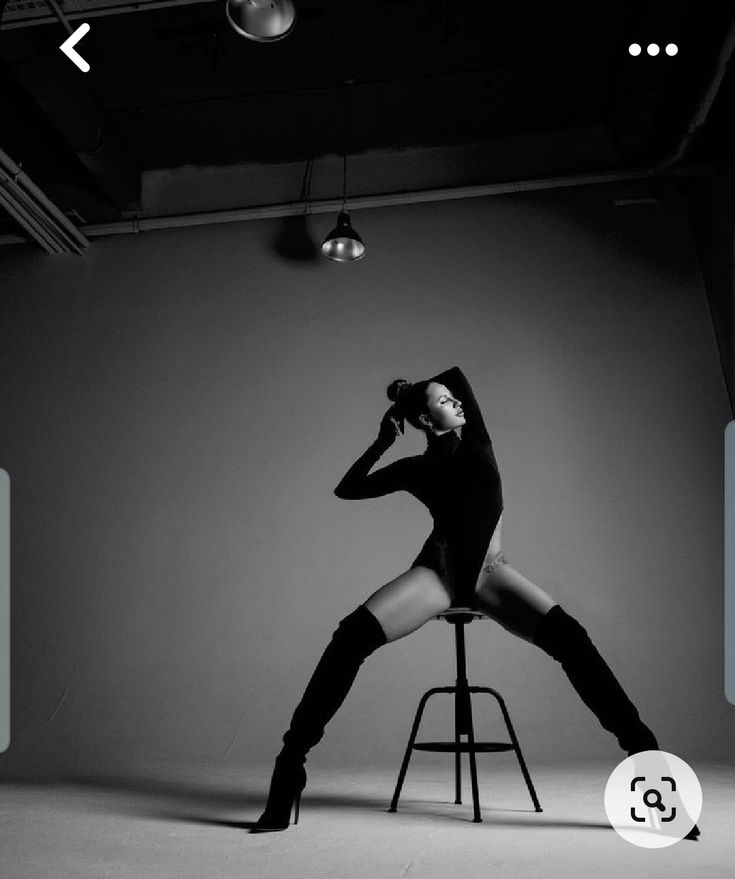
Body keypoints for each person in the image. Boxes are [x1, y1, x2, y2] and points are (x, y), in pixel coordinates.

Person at [251, 366, 698, 838]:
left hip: (491, 575)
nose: (458, 403)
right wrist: (385, 437)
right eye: (445, 402)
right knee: (350, 637)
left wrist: (408, 393)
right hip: (438, 576)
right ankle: (290, 766)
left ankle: (650, 770)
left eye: (453, 399)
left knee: (573, 640)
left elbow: (456, 376)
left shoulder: (478, 439)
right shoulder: (416, 469)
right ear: (425, 422)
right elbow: (349, 488)